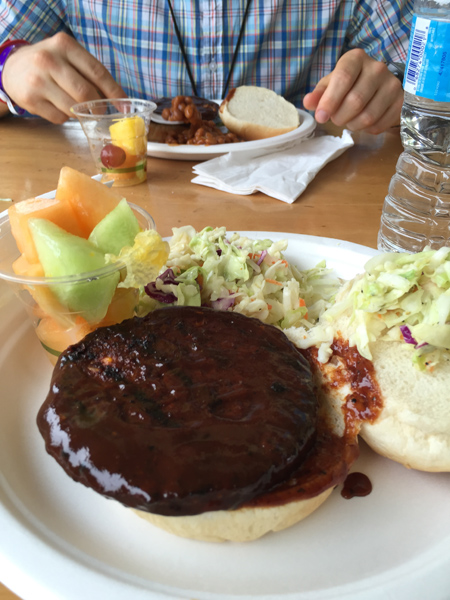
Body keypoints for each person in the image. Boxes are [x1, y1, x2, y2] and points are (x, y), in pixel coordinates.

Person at [0, 0, 413, 134]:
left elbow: (428, 80)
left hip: (301, 212)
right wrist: (8, 66)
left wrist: (400, 91)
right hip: (124, 193)